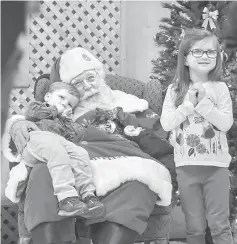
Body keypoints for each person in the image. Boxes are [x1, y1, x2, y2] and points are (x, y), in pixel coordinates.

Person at [4, 47, 173, 244]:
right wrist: (18, 124)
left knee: (139, 179)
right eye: (78, 82)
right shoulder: (61, 110)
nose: (87, 85)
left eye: (91, 78)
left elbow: (156, 134)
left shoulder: (131, 104)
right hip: (72, 160)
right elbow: (36, 127)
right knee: (43, 171)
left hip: (123, 157)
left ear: (100, 77)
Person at [160, 28, 234, 244]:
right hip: (186, 167)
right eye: (198, 52)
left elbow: (225, 123)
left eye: (211, 52)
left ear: (217, 57)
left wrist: (202, 104)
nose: (205, 56)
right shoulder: (175, 90)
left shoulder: (220, 89)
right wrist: (188, 105)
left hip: (216, 167)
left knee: (220, 225)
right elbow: (166, 123)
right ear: (185, 58)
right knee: (194, 228)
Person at [5, 82, 105, 218]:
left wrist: (66, 119)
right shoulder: (38, 106)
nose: (65, 104)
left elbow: (74, 135)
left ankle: (88, 196)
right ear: (47, 96)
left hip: (57, 142)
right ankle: (66, 199)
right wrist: (55, 110)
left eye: (70, 104)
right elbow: (33, 113)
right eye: (62, 97)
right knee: (57, 150)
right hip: (35, 138)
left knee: (81, 154)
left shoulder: (63, 120)